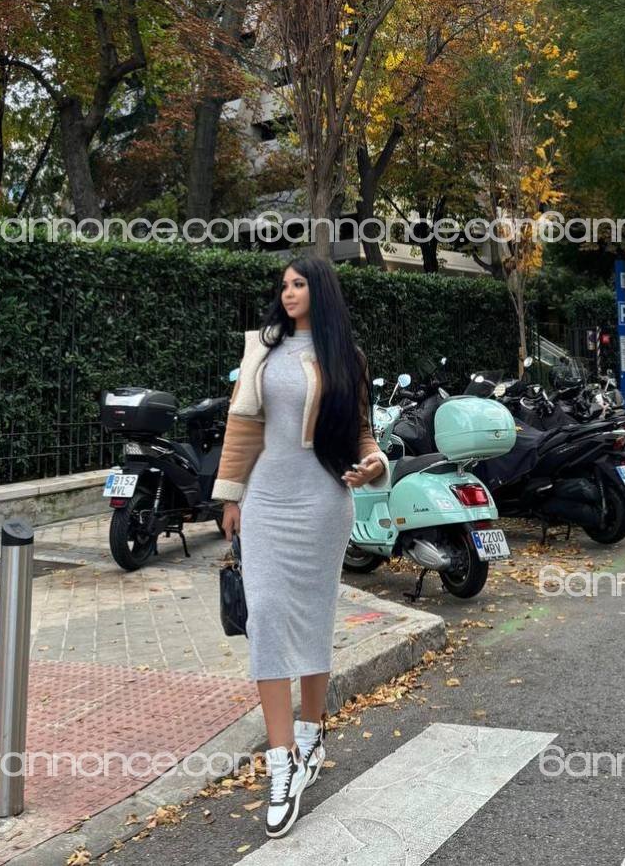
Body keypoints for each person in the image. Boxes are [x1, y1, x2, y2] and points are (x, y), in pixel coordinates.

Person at [214, 256, 390, 838]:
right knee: (265, 616)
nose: (287, 292)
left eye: (298, 284)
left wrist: (374, 464)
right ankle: (281, 760)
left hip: (323, 503)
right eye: (283, 285)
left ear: (321, 290)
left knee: (313, 618)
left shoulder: (347, 358)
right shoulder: (262, 350)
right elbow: (242, 427)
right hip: (267, 500)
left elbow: (361, 433)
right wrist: (230, 496)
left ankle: (312, 733)